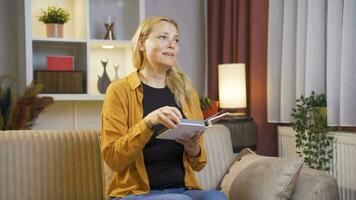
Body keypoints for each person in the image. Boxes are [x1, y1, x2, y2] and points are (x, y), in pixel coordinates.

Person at [101, 16, 228, 200]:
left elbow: (199, 164)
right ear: (142, 43)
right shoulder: (119, 91)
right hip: (135, 193)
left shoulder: (187, 93)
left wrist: (193, 149)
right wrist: (147, 123)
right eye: (163, 37)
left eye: (175, 39)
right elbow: (113, 158)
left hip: (182, 190)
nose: (172, 44)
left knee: (217, 197)